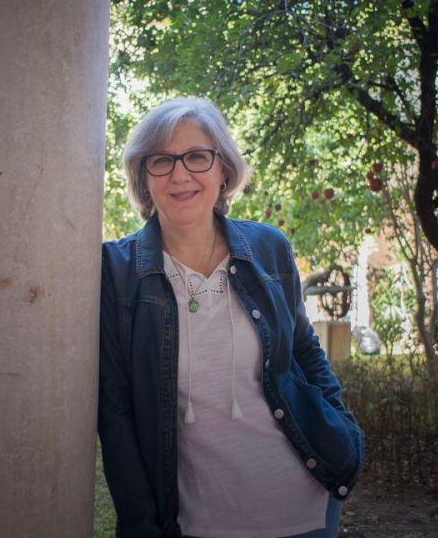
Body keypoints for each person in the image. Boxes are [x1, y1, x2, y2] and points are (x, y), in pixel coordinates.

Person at [98, 98, 364, 538]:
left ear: (223, 168)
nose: (180, 174)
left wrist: (343, 426)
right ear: (143, 176)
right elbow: (116, 408)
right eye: (161, 160)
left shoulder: (269, 248)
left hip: (306, 506)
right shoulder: (116, 270)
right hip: (198, 520)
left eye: (197, 156)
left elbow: (303, 349)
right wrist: (141, 523)